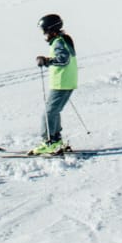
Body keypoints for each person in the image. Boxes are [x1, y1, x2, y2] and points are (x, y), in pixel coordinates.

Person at [32, 13, 78, 154]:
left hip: (61, 82)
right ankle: (56, 140)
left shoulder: (59, 42)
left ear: (51, 29)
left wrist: (46, 61)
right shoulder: (62, 40)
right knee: (53, 112)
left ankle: (49, 142)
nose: (44, 34)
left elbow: (63, 59)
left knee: (48, 113)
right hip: (65, 82)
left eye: (44, 30)